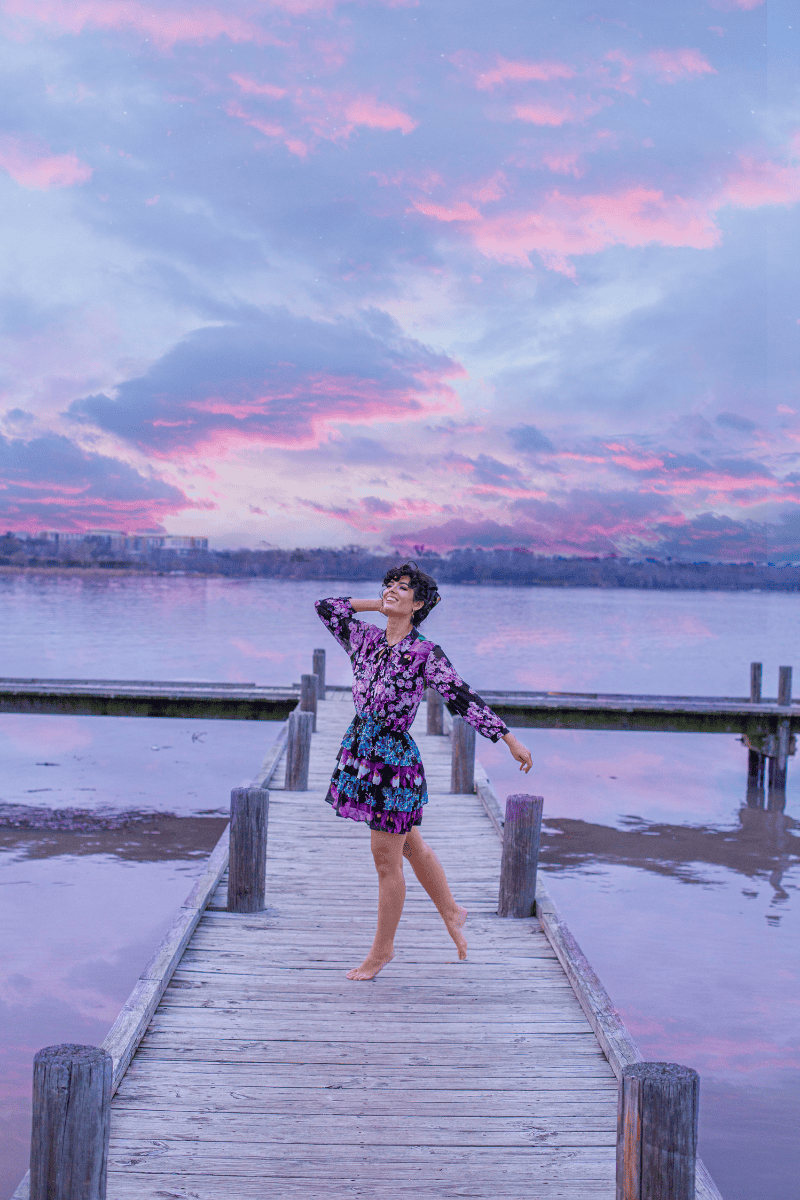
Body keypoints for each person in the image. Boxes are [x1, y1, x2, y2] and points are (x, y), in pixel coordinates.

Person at [315, 562, 533, 981]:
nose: (392, 591)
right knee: (410, 847)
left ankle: (382, 952)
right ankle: (451, 910)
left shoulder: (424, 654)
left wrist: (507, 738)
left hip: (393, 765)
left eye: (402, 589)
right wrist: (378, 605)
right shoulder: (364, 639)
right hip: (360, 755)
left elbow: (463, 698)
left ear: (419, 605)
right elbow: (327, 607)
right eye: (389, 586)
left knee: (386, 861)